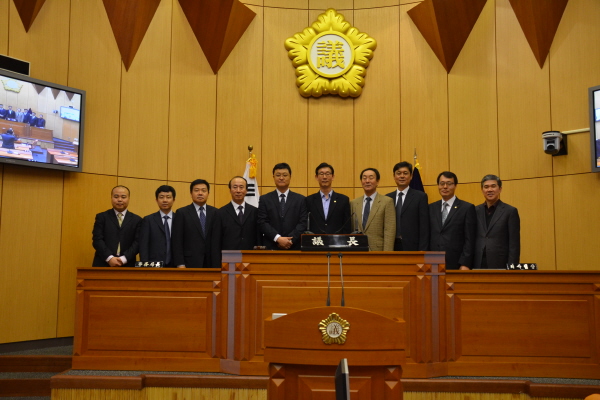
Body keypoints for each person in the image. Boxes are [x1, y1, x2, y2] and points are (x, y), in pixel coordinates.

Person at [429, 171, 476, 270]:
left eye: (449, 184)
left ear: (455, 186)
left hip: (457, 263)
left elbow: (470, 239)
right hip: (433, 263)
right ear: (438, 186)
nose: (445, 187)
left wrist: (465, 263)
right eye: (442, 184)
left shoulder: (466, 208)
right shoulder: (430, 208)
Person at [473, 174, 520, 269]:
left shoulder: (510, 211)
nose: (490, 190)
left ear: (500, 189)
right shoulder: (474, 211)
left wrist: (512, 268)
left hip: (500, 264)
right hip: (477, 263)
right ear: (482, 190)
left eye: (493, 186)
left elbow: (514, 244)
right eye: (486, 187)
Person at [171, 179, 221, 268]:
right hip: (189, 262)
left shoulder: (216, 212)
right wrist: (180, 263)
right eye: (196, 190)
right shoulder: (182, 213)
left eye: (203, 190)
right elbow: (177, 241)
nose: (200, 193)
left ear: (208, 194)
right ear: (191, 194)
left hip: (212, 262)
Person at [258, 162, 307, 250]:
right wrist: (278, 238)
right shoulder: (264, 199)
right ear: (273, 177)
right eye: (278, 175)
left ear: (290, 177)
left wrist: (289, 240)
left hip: (294, 247)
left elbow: (302, 223)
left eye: (285, 175)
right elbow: (262, 222)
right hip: (271, 246)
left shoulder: (301, 199)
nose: (281, 178)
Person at [92, 185, 142, 267]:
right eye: (116, 196)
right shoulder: (102, 217)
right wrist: (109, 258)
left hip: (128, 264)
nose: (119, 200)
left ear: (129, 199)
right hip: (103, 263)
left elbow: (137, 242)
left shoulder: (137, 220)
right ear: (111, 198)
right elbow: (97, 240)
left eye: (123, 197)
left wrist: (123, 259)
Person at [386, 161, 429, 251]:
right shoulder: (387, 198)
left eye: (405, 173)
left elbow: (424, 226)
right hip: (392, 246)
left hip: (412, 246)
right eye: (398, 173)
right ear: (394, 176)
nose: (402, 176)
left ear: (411, 176)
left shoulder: (420, 197)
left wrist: (422, 250)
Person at [350, 168, 395, 251]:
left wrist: (387, 255)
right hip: (357, 250)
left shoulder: (387, 202)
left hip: (378, 251)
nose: (367, 181)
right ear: (361, 181)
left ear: (377, 181)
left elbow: (389, 231)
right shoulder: (353, 203)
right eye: (364, 178)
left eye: (371, 178)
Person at [305, 162, 351, 234]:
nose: (324, 177)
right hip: (316, 242)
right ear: (316, 177)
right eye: (321, 174)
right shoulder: (309, 200)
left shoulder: (343, 200)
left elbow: (347, 226)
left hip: (337, 243)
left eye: (327, 174)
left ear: (333, 177)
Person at [139, 185, 176, 267]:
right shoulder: (148, 220)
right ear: (156, 200)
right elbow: (144, 245)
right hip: (154, 265)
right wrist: (145, 266)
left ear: (173, 200)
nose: (165, 200)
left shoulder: (179, 219)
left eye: (168, 197)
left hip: (175, 265)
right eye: (161, 197)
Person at [219, 176, 260, 250]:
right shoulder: (220, 213)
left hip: (250, 255)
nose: (238, 191)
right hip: (228, 256)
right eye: (235, 187)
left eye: (241, 187)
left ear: (246, 190)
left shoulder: (255, 212)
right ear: (230, 190)